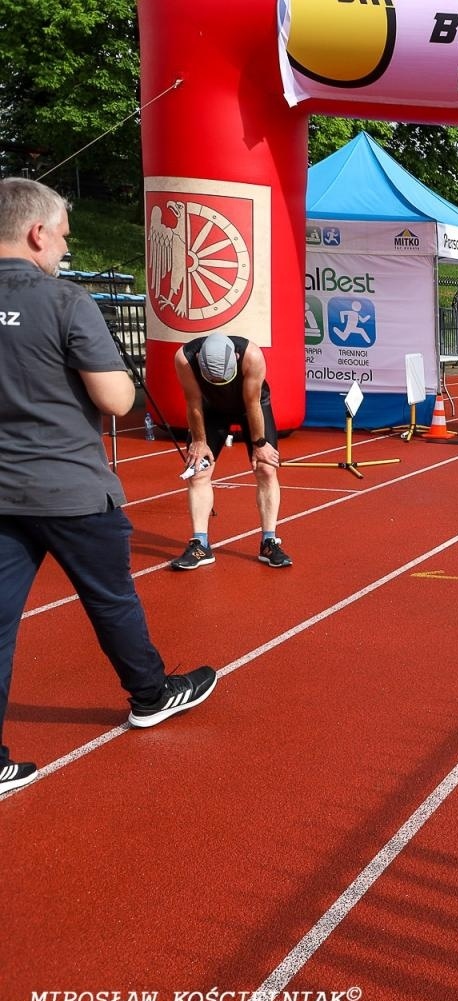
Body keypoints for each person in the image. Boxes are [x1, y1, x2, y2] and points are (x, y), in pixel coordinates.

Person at [0, 177, 218, 794]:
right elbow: (118, 399)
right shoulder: (65, 301)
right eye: (63, 238)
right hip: (69, 487)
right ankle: (149, 695)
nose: (64, 251)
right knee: (111, 598)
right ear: (37, 232)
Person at [170, 333, 292, 571]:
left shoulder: (252, 356)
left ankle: (269, 542)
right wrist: (199, 442)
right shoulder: (184, 358)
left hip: (251, 406)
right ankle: (200, 544)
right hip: (210, 409)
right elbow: (193, 401)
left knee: (266, 469)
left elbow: (252, 403)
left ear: (235, 359)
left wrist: (260, 445)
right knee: (198, 471)